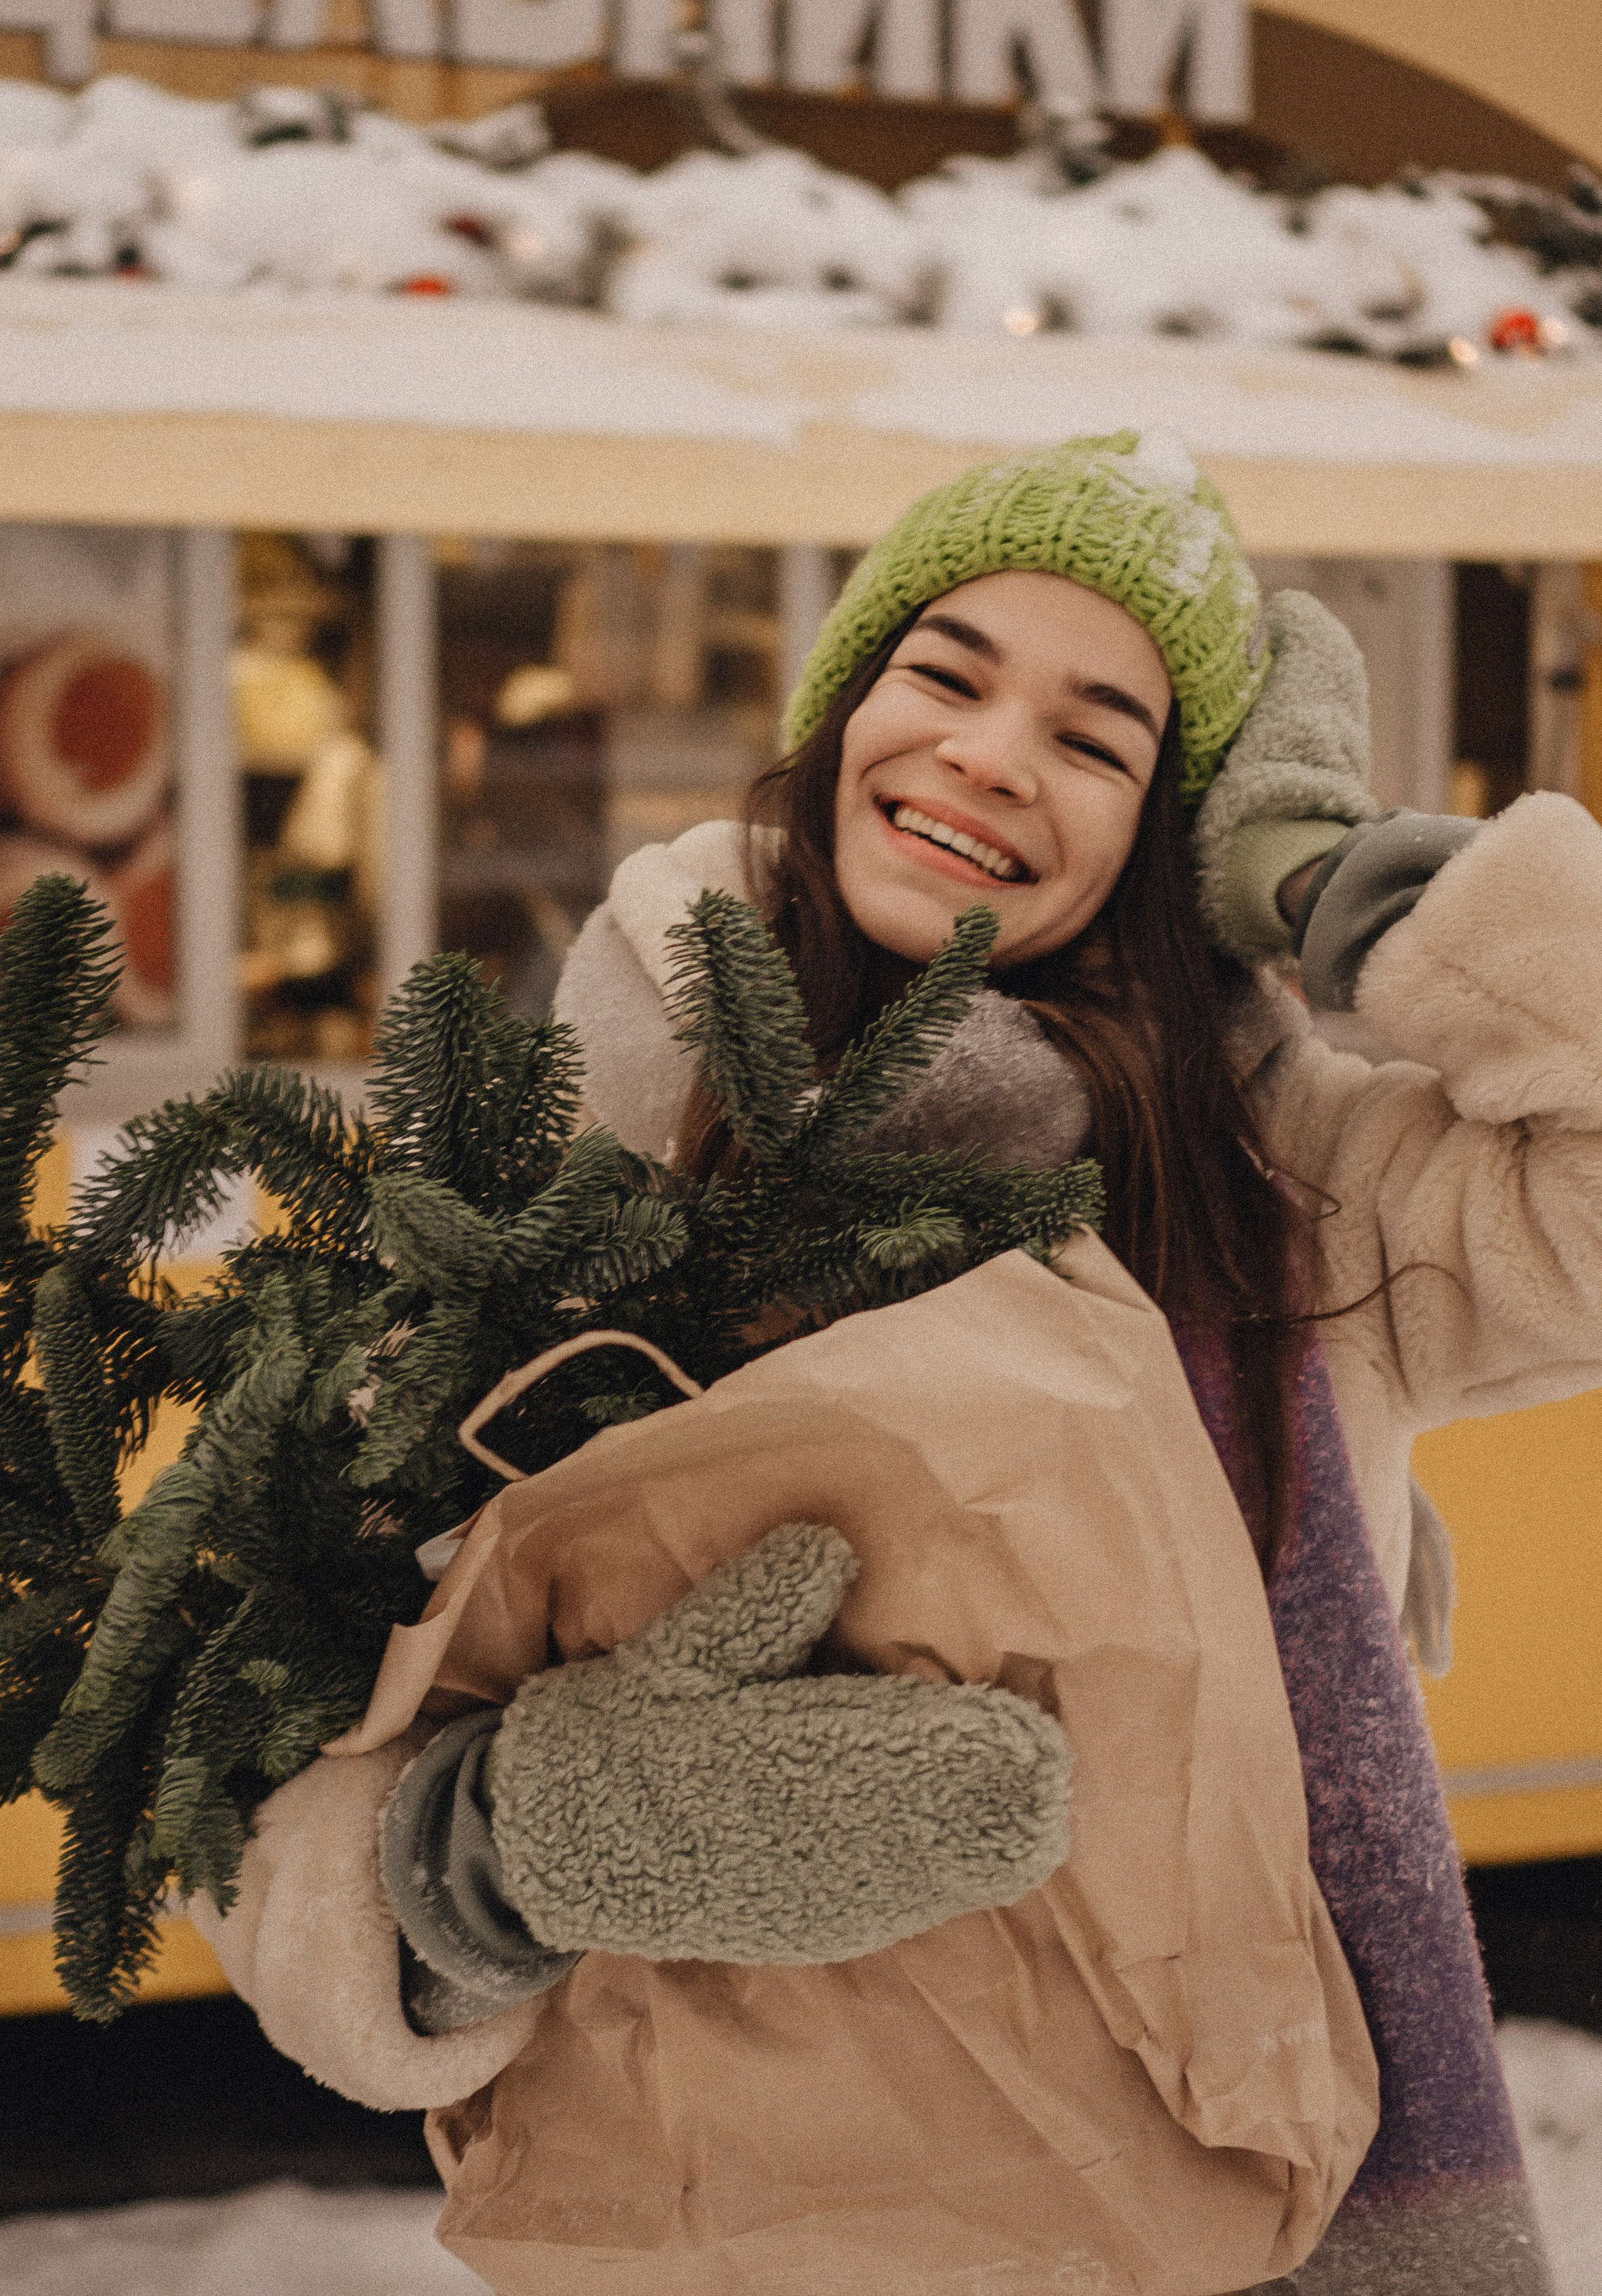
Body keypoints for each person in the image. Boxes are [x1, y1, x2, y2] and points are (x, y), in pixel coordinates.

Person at [206, 433, 1599, 2295]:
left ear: (1165, 835)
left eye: (1100, 739)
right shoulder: (573, 1154)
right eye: (944, 673)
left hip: (1234, 2199)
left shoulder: (1287, 1183)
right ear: (846, 701)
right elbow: (242, 1715)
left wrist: (1325, 884)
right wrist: (502, 1852)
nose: (991, 754)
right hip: (736, 2211)